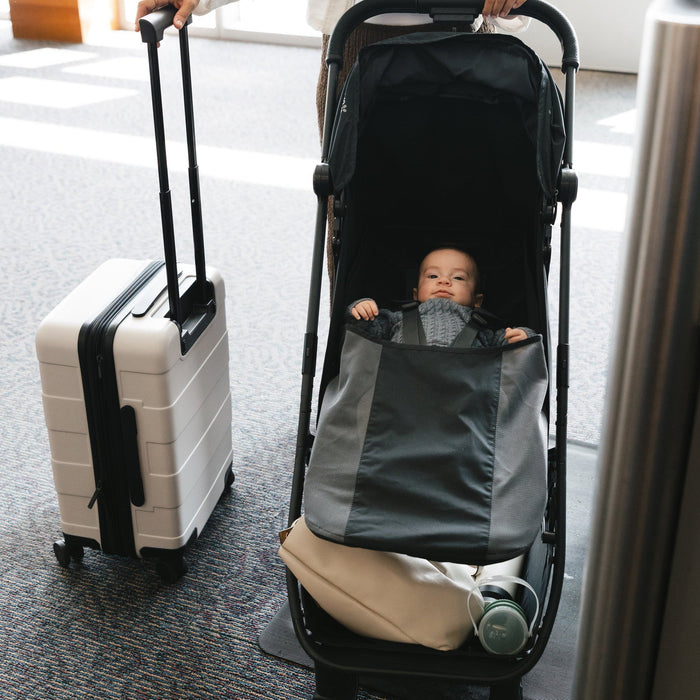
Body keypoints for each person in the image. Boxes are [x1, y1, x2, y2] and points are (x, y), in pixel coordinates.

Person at [348, 246, 532, 347]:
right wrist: (362, 310)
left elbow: (505, 344)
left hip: (466, 391)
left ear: (477, 301)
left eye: (458, 277)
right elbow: (366, 332)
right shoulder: (398, 318)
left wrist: (523, 337)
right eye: (433, 276)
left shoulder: (481, 327)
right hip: (403, 385)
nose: (444, 281)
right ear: (415, 294)